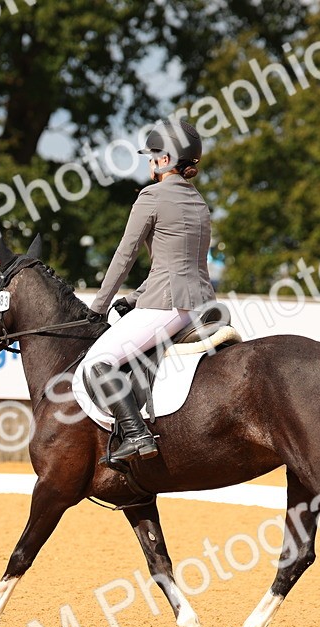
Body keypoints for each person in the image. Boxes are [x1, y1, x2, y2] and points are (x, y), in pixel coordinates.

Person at [84, 118, 216, 465]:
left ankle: (137, 433)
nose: (150, 161)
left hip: (168, 304)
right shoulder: (199, 202)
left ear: (166, 160)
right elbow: (181, 263)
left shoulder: (152, 196)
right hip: (199, 303)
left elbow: (124, 255)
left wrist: (97, 308)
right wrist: (133, 298)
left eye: (154, 155)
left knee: (99, 362)